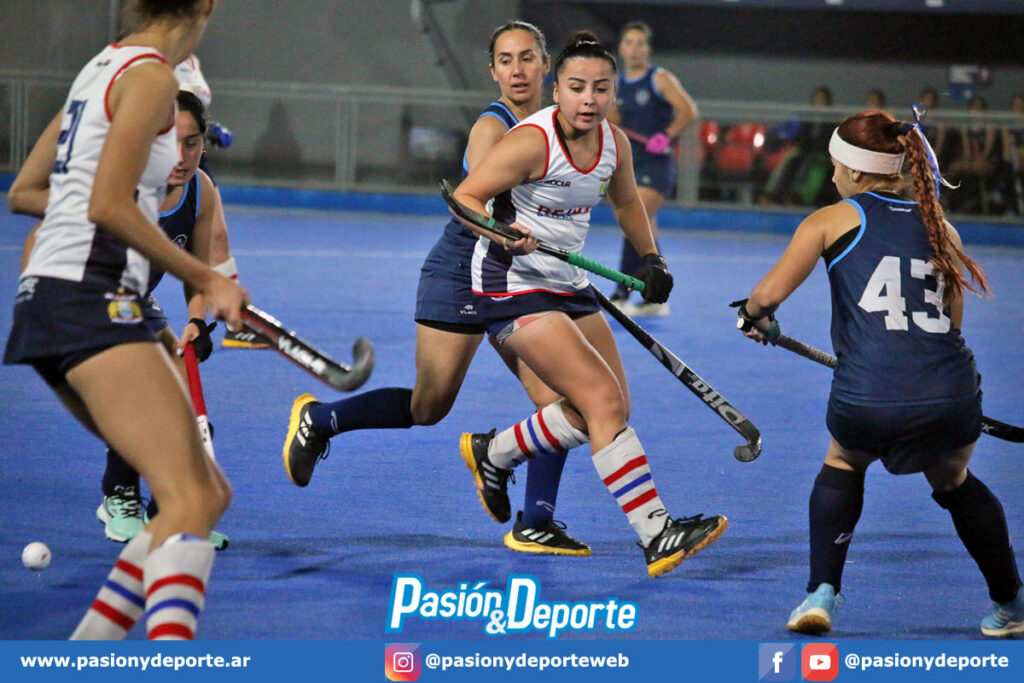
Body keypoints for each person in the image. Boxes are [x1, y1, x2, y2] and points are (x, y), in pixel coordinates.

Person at [281, 22, 590, 555]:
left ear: (546, 66)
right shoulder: (492, 128)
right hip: (462, 272)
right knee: (429, 406)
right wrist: (504, 231)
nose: (517, 70)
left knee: (562, 400)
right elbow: (472, 203)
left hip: (517, 278)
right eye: (505, 60)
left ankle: (535, 519)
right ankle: (322, 420)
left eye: (527, 58)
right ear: (493, 72)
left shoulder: (557, 127)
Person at [4, 0, 245, 640]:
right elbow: (109, 204)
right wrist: (207, 279)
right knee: (192, 496)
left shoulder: (98, 71)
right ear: (205, 6)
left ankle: (87, 656)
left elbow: (24, 192)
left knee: (203, 493)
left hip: (51, 299)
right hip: (90, 297)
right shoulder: (153, 77)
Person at [734, 108, 1022, 636]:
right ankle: (1012, 604)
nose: (833, 176)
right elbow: (951, 325)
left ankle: (821, 594)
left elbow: (766, 297)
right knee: (952, 477)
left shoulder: (829, 220)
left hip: (867, 396)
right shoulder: (943, 228)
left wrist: (754, 318)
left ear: (853, 170)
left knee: (844, 460)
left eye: (835, 166)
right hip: (952, 393)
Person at [452, 31, 728, 578]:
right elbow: (464, 198)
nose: (589, 99)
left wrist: (651, 259)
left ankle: (496, 452)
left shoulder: (614, 143)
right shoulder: (531, 142)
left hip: (567, 283)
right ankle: (657, 533)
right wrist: (502, 232)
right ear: (557, 89)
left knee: (606, 411)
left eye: (601, 89)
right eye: (577, 87)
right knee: (599, 399)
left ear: (612, 94)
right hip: (510, 284)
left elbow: (626, 202)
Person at [93, 90, 229, 550]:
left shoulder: (201, 191)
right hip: (85, 297)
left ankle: (170, 512)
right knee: (144, 395)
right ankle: (119, 496)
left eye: (192, 143)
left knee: (184, 406)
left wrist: (197, 322)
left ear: (204, 143)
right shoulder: (124, 184)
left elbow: (198, 272)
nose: (182, 155)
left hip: (135, 300)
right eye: (170, 142)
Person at [606, 21, 697, 317]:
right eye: (629, 43)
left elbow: (689, 110)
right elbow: (615, 119)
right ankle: (655, 297)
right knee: (644, 230)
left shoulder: (659, 78)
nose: (635, 49)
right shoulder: (616, 83)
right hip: (629, 164)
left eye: (641, 43)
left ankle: (620, 293)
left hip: (656, 165)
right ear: (621, 48)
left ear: (648, 49)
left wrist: (667, 135)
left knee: (635, 220)